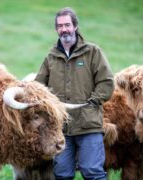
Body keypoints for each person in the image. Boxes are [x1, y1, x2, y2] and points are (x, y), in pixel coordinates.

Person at [35, 7, 114, 180]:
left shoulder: (93, 52)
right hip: (61, 129)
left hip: (89, 125)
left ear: (75, 26)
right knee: (62, 174)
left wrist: (93, 102)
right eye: (60, 26)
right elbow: (38, 87)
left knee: (92, 172)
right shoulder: (51, 57)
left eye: (67, 25)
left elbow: (106, 82)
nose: (64, 29)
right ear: (56, 29)